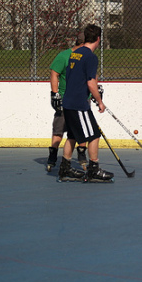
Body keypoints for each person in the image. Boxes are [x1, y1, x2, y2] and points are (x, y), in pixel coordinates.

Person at [58, 24, 114, 183]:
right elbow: (91, 83)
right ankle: (93, 169)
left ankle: (65, 168)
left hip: (68, 102)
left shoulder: (74, 54)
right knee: (94, 134)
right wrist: (100, 101)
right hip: (78, 105)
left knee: (73, 135)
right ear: (98, 39)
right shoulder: (90, 57)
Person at [47, 32, 87, 172]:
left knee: (80, 130)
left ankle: (81, 155)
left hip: (81, 100)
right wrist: (55, 93)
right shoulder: (64, 56)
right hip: (65, 99)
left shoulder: (87, 56)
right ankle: (52, 156)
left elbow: (91, 75)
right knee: (59, 129)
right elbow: (54, 73)